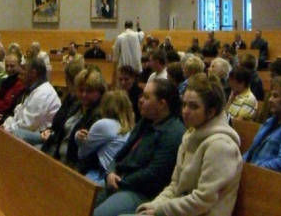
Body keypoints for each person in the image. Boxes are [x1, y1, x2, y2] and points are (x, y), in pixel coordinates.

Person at [129, 74, 242, 216]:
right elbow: (175, 185)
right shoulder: (190, 135)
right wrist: (153, 206)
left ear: (211, 112)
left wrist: (160, 211)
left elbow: (203, 200)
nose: (185, 111)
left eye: (194, 106)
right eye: (184, 104)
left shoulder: (221, 146)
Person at [93, 79, 186, 216]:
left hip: (141, 192)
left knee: (98, 214)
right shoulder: (146, 121)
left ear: (162, 104)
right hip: (120, 181)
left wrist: (121, 181)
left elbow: (154, 176)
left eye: (147, 97)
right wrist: (111, 172)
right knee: (82, 198)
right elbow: (121, 154)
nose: (141, 100)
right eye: (142, 95)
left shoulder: (173, 132)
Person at [42, 67, 106, 168]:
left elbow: (89, 155)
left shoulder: (100, 115)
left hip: (73, 166)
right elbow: (60, 132)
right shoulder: (76, 106)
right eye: (81, 90)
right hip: (56, 156)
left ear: (99, 91)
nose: (84, 94)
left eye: (89, 91)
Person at [77, 90, 134, 184]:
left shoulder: (103, 124)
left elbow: (82, 154)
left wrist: (77, 137)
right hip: (121, 176)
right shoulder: (131, 128)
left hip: (105, 175)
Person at [2, 58, 61, 142]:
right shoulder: (34, 90)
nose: (20, 73)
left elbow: (27, 125)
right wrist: (7, 123)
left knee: (12, 134)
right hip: (30, 133)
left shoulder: (43, 93)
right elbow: (17, 113)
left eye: (24, 69)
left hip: (41, 138)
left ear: (33, 73)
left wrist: (7, 127)